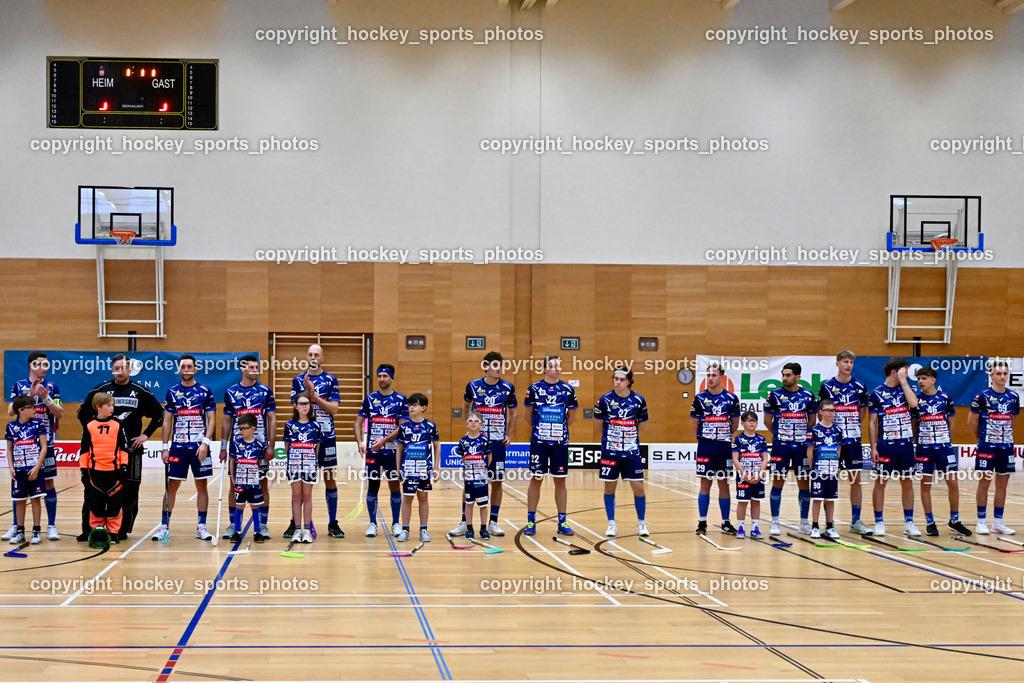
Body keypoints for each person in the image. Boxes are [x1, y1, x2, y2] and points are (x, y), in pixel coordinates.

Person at [77, 354, 164, 541]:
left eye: (123, 368)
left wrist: (145, 435)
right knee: (92, 490)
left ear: (130, 369)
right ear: (112, 369)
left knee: (129, 491)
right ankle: (89, 530)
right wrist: (95, 434)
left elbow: (160, 415)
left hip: (131, 453)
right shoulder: (101, 390)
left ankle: (121, 530)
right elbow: (82, 414)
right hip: (101, 456)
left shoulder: (141, 391)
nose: (120, 371)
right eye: (116, 368)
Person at [451, 351, 517, 538]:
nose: (498, 369)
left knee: (496, 482)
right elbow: (465, 406)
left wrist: (509, 435)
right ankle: (465, 521)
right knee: (470, 482)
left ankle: (493, 522)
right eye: (495, 365)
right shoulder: (473, 386)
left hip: (496, 443)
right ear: (486, 366)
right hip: (476, 444)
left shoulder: (507, 388)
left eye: (500, 366)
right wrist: (470, 428)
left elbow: (514, 413)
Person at [155, 354, 217, 542]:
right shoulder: (172, 392)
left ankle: (202, 527)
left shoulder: (205, 391)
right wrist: (165, 447)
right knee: (171, 487)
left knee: (202, 486)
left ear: (195, 369)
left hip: (199, 447)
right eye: (183, 367)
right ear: (179, 370)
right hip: (178, 446)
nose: (187, 370)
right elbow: (167, 421)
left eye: (190, 367)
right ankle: (164, 527)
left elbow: (212, 419)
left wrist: (206, 442)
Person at [6, 351, 63, 542]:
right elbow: (9, 412)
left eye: (46, 365)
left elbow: (60, 413)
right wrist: (28, 395)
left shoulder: (52, 387)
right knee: (20, 483)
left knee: (48, 483)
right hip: (23, 443)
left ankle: (51, 526)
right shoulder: (18, 385)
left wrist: (46, 399)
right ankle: (17, 526)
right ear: (31, 365)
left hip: (44, 442)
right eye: (40, 364)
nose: (43, 368)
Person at [289, 344, 343, 539]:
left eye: (316, 355)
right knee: (299, 482)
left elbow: (334, 409)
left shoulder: (331, 380)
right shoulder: (297, 380)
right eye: (310, 354)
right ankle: (295, 524)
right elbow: (296, 409)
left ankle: (332, 522)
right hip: (303, 439)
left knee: (329, 478)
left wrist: (314, 397)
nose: (313, 357)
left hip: (327, 436)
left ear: (323, 358)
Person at [221, 355, 276, 542]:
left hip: (259, 447)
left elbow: (272, 418)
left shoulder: (265, 391)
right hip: (237, 446)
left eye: (257, 367)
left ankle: (263, 524)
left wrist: (271, 444)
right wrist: (223, 445)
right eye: (252, 367)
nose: (255, 370)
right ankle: (232, 524)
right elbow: (227, 420)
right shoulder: (231, 392)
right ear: (243, 370)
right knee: (234, 484)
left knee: (261, 483)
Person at [523, 355, 578, 536]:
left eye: (559, 365)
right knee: (536, 479)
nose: (557, 368)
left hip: (559, 443)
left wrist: (556, 430)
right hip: (539, 442)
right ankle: (531, 521)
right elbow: (527, 416)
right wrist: (543, 430)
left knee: (560, 480)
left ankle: (562, 522)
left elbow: (572, 417)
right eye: (553, 365)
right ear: (544, 369)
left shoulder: (568, 389)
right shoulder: (534, 389)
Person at [818, 350, 870, 535]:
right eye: (845, 362)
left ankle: (856, 521)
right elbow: (821, 413)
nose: (849, 365)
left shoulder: (860, 386)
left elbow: (862, 414)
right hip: (831, 442)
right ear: (837, 363)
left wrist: (851, 428)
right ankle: (828, 523)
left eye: (851, 362)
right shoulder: (827, 387)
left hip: (853, 440)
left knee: (855, 480)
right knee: (829, 478)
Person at [914, 366, 970, 537]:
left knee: (953, 483)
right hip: (925, 448)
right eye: (919, 378)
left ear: (933, 380)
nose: (920, 381)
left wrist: (946, 440)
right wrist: (920, 442)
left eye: (924, 378)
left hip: (944, 447)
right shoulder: (916, 401)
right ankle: (930, 522)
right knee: (926, 485)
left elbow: (952, 421)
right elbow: (913, 424)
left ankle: (955, 520)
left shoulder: (945, 398)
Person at [354, 364, 408, 538]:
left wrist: (383, 440)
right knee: (373, 487)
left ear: (392, 378)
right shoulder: (370, 399)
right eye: (379, 376)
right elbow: (357, 423)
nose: (382, 379)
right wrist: (360, 442)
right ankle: (372, 523)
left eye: (385, 376)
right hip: (373, 453)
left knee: (394, 485)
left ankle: (395, 524)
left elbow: (402, 428)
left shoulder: (400, 400)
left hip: (393, 452)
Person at [868, 357, 920, 537]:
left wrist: (904, 382)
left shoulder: (905, 388)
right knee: (880, 483)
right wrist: (873, 447)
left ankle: (909, 522)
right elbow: (872, 423)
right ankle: (879, 522)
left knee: (907, 483)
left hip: (905, 445)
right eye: (904, 371)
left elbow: (914, 404)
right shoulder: (876, 394)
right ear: (895, 371)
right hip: (886, 446)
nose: (907, 374)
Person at [595, 367, 649, 537]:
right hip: (611, 451)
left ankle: (641, 523)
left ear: (629, 382)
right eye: (615, 378)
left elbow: (641, 424)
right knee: (610, 487)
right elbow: (598, 426)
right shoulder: (604, 400)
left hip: (632, 452)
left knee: (638, 487)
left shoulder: (639, 400)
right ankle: (611, 523)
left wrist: (628, 437)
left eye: (621, 379)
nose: (617, 382)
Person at [766, 362, 817, 536]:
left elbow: (811, 421)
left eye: (788, 375)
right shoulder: (774, 395)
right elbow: (767, 421)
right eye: (783, 374)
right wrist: (781, 434)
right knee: (777, 483)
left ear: (797, 377)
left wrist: (800, 435)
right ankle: (774, 522)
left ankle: (804, 522)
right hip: (781, 446)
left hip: (801, 447)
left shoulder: (808, 396)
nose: (784, 378)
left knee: (804, 484)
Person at [970, 359, 1020, 535]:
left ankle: (998, 522)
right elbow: (971, 422)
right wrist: (981, 440)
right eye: (999, 373)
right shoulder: (982, 397)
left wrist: (1005, 437)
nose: (1002, 376)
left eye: (1005, 373)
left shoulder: (1013, 397)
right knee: (984, 482)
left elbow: (1013, 420)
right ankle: (981, 521)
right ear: (991, 375)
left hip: (1005, 446)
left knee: (1003, 484)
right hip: (987, 446)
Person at [691, 363, 740, 535]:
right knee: (705, 483)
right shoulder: (699, 398)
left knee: (723, 483)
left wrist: (722, 436)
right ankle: (702, 522)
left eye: (714, 375)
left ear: (721, 377)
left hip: (724, 446)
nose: (710, 378)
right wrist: (706, 438)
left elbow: (734, 423)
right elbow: (694, 424)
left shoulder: (732, 399)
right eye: (708, 375)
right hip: (706, 445)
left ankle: (726, 522)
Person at [79, 393, 130, 545]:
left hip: (114, 472)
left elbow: (123, 448)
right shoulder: (89, 425)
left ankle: (113, 533)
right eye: (109, 405)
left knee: (115, 503)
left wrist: (124, 466)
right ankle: (97, 531)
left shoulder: (118, 425)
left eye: (113, 405)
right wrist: (83, 470)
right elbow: (84, 450)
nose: (112, 408)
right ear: (99, 407)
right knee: (95, 503)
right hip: (95, 472)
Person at [394, 393, 440, 542]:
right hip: (408, 469)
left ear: (424, 407)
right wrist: (398, 468)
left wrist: (436, 468)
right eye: (410, 404)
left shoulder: (430, 427)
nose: (411, 407)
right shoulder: (404, 427)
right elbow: (399, 449)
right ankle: (405, 529)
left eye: (415, 404)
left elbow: (437, 447)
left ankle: (423, 529)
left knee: (423, 498)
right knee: (407, 498)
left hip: (424, 469)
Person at [6, 395, 48, 544]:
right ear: (21, 410)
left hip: (34, 469)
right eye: (32, 407)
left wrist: (37, 467)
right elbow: (9, 449)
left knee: (36, 498)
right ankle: (20, 531)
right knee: (19, 500)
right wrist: (11, 467)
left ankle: (36, 531)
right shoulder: (11, 426)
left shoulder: (38, 424)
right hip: (19, 469)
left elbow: (44, 447)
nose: (35, 410)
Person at [284, 393, 321, 544]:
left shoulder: (315, 426)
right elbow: (287, 445)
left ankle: (306, 530)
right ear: (296, 406)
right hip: (294, 463)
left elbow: (317, 447)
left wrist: (312, 461)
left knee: (307, 496)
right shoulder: (289, 425)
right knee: (296, 496)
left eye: (307, 403)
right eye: (301, 403)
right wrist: (292, 460)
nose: (304, 406)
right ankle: (297, 530)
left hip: (310, 463)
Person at [228, 414, 269, 543]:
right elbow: (232, 461)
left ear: (253, 428)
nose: (241, 431)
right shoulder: (236, 443)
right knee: (239, 506)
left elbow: (261, 462)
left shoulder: (259, 445)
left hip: (254, 483)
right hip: (240, 481)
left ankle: (257, 532)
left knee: (255, 506)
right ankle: (237, 532)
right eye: (240, 429)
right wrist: (233, 478)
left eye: (244, 428)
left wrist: (260, 477)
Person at [807, 399, 842, 540]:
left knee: (830, 499)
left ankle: (829, 527)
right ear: (820, 412)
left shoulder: (838, 430)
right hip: (818, 470)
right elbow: (809, 451)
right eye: (828, 410)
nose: (831, 413)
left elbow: (839, 448)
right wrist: (812, 468)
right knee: (817, 499)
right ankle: (815, 526)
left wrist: (836, 465)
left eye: (833, 410)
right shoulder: (814, 430)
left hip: (832, 470)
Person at [731, 410, 769, 540]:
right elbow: (735, 459)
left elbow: (764, 459)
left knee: (756, 501)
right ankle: (740, 527)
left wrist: (760, 475)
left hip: (758, 476)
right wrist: (743, 474)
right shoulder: (738, 439)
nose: (752, 423)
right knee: (742, 502)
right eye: (749, 420)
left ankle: (755, 528)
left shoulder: (761, 439)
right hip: (744, 477)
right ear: (742, 423)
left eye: (754, 420)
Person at [455, 412, 491, 540]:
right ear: (466, 424)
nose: (473, 423)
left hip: (481, 478)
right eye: (470, 420)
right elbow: (464, 458)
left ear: (481, 424)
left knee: (483, 504)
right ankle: (469, 528)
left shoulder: (485, 441)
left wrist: (481, 469)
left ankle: (483, 528)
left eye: (476, 421)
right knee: (469, 503)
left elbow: (489, 458)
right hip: (469, 478)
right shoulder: (463, 441)